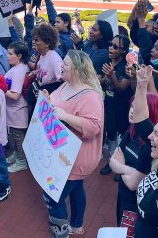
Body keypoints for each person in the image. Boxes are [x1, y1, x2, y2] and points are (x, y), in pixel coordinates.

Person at [43, 50, 104, 238]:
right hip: (63, 153)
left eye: (66, 64)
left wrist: (65, 116)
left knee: (53, 197)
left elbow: (94, 127)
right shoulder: (64, 86)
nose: (61, 66)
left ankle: (61, 234)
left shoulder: (90, 96)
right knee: (77, 188)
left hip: (76, 158)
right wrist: (47, 99)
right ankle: (76, 225)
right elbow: (55, 104)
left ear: (77, 69)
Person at [109, 66, 158, 233]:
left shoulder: (151, 145)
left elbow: (133, 184)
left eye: (138, 107)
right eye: (132, 106)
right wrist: (129, 170)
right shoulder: (130, 131)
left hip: (137, 205)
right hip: (123, 198)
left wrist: (121, 167)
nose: (133, 111)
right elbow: (112, 161)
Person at [99, 34, 133, 175]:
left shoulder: (126, 67)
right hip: (109, 106)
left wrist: (111, 75)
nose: (110, 48)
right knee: (111, 136)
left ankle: (121, 168)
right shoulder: (108, 61)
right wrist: (102, 79)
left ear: (123, 50)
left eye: (115, 46)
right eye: (110, 45)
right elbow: (101, 80)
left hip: (122, 109)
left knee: (121, 138)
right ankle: (111, 163)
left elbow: (121, 88)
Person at [4, 42, 30, 173]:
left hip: (17, 110)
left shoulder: (19, 70)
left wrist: (1, 87)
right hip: (14, 110)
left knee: (18, 136)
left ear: (19, 56)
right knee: (14, 135)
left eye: (10, 54)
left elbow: (15, 95)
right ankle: (17, 154)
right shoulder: (18, 68)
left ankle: (21, 160)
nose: (7, 56)